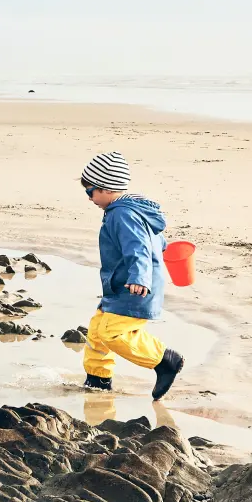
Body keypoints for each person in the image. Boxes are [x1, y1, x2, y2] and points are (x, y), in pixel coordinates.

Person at [79, 151, 183, 399]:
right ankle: (98, 380)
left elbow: (138, 248)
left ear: (106, 188)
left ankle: (164, 360)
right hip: (121, 284)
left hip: (135, 287)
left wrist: (139, 278)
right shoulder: (132, 209)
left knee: (111, 332)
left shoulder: (123, 214)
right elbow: (153, 239)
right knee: (97, 329)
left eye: (90, 191)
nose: (89, 197)